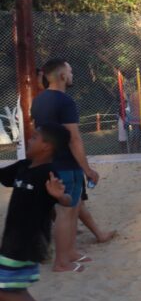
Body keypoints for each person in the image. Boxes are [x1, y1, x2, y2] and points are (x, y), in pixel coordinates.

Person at [0, 125, 74, 301]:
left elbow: (66, 199)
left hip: (28, 242)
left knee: (4, 290)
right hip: (14, 239)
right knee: (16, 290)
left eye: (34, 137)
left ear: (46, 146)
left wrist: (59, 196)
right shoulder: (24, 167)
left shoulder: (49, 173)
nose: (29, 140)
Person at [30, 59, 103, 272]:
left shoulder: (38, 101)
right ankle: (61, 262)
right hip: (65, 163)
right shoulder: (65, 101)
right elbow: (74, 139)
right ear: (62, 76)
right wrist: (87, 170)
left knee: (72, 208)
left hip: (49, 162)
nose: (72, 75)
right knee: (66, 212)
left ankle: (70, 252)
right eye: (70, 71)